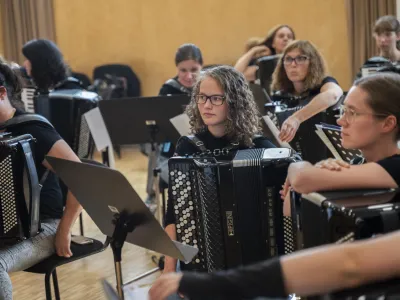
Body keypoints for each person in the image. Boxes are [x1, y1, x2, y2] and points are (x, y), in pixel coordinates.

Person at [149, 72, 400, 300]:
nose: (341, 120)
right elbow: (301, 217)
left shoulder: (392, 168)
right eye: (202, 98)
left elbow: (349, 261)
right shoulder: (358, 164)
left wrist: (301, 170)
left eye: (351, 113)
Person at [149, 65, 276, 300]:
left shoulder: (260, 148)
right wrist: (169, 271)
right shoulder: (187, 147)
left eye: (216, 98)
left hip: (254, 270)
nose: (206, 105)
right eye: (202, 97)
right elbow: (174, 214)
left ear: (235, 102)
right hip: (201, 264)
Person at [0, 61, 82, 300]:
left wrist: (64, 229)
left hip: (44, 227)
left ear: (2, 93)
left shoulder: (33, 129)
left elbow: (80, 176)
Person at [144, 44, 204, 211]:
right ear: (176, 68)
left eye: (194, 69)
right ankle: (153, 194)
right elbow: (160, 124)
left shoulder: (209, 85)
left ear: (202, 66)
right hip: (175, 147)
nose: (189, 75)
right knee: (156, 149)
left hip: (205, 147)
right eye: (183, 70)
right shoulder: (169, 89)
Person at [270, 40, 343, 143]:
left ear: (313, 63)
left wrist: (296, 118)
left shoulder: (325, 83)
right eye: (288, 59)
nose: (293, 64)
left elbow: (333, 95)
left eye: (300, 58)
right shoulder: (280, 96)